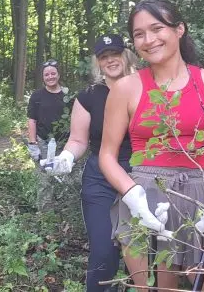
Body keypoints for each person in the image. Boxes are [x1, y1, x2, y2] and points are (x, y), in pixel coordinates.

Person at [98, 0, 204, 291]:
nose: (148, 40)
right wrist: (132, 195)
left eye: (157, 28)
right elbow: (107, 156)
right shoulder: (125, 88)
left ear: (179, 29)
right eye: (138, 34)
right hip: (146, 205)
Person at [44, 34, 138, 292]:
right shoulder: (88, 96)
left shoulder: (146, 88)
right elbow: (78, 139)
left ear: (126, 55)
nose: (110, 60)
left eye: (115, 54)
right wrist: (66, 157)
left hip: (140, 174)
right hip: (100, 178)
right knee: (103, 250)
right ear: (98, 62)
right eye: (104, 57)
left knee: (141, 251)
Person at [26, 59, 72, 162]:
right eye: (46, 75)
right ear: (43, 77)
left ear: (58, 75)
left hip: (64, 142)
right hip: (43, 142)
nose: (50, 77)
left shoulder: (68, 95)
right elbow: (32, 120)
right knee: (46, 172)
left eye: (53, 73)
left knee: (63, 172)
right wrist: (33, 144)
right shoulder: (37, 96)